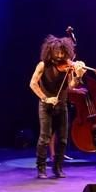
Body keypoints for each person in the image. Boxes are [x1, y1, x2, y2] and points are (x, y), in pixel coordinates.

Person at [29, 34, 86, 179]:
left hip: (62, 105)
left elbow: (71, 85)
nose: (60, 55)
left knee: (62, 139)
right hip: (46, 106)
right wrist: (45, 98)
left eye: (63, 52)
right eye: (57, 52)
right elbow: (33, 83)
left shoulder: (67, 66)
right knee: (44, 138)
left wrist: (78, 75)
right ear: (50, 51)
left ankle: (58, 168)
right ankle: (41, 168)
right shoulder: (43, 65)